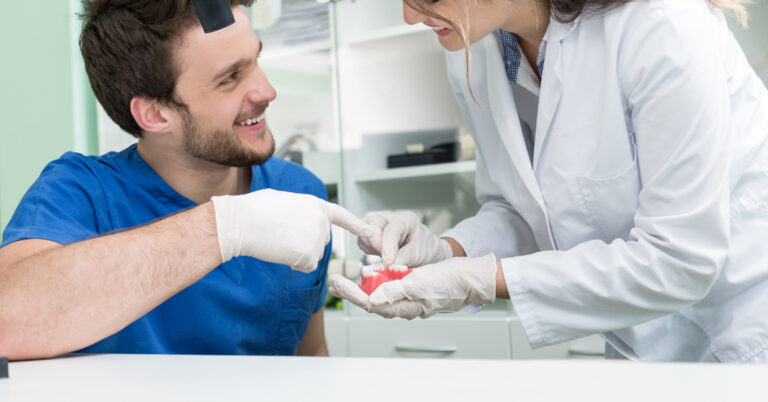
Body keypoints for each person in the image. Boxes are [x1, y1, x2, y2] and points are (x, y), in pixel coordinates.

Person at [330, 0, 768, 363]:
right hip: (641, 345)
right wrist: (445, 252)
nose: (410, 16)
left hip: (746, 332)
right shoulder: (475, 49)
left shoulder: (662, 24)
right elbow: (524, 209)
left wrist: (480, 279)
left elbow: (680, 259)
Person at [0, 0, 373, 361]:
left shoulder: (298, 190)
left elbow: (312, 357)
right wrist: (223, 228)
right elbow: (8, 320)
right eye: (230, 78)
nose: (267, 91)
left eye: (256, 60)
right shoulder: (82, 192)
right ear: (156, 114)